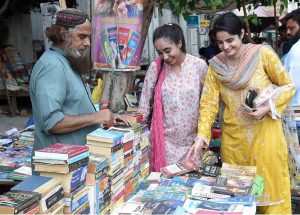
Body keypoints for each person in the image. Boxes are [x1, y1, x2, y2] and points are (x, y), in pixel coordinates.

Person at [187, 12, 295, 214]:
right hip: (234, 143)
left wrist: (265, 108)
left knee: (271, 197)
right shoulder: (215, 66)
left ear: (242, 34)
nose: (226, 47)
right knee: (237, 200)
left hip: (265, 139)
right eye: (220, 43)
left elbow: (288, 86)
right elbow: (208, 104)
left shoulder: (262, 54)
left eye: (230, 40)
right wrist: (202, 135)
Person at [29, 9, 124, 153]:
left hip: (75, 159)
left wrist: (107, 116)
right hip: (59, 165)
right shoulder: (52, 66)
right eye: (82, 36)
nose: (87, 43)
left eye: (89, 37)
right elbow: (52, 122)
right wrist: (96, 117)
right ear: (63, 34)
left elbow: (73, 106)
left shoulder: (68, 61)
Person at [139, 23, 207, 171]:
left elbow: (208, 104)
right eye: (159, 53)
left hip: (192, 145)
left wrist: (203, 137)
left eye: (168, 50)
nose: (165, 57)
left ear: (180, 43)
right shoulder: (155, 68)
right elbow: (144, 105)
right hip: (163, 144)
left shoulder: (199, 66)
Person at [283, 8, 300, 107]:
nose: (288, 32)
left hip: (296, 109)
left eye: (292, 28)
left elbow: (290, 86)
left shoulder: (296, 50)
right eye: (287, 28)